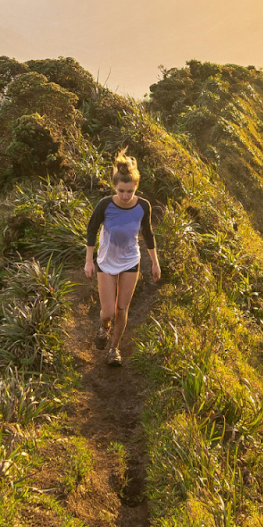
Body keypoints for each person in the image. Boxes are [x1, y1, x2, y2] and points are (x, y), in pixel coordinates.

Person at [84, 148, 160, 366]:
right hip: (106, 261)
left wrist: (155, 263)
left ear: (136, 187)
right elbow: (91, 230)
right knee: (107, 312)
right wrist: (89, 261)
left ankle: (114, 349)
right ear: (114, 187)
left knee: (122, 309)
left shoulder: (143, 206)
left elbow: (148, 234)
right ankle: (104, 327)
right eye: (121, 191)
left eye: (129, 191)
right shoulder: (105, 205)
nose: (125, 196)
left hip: (130, 261)